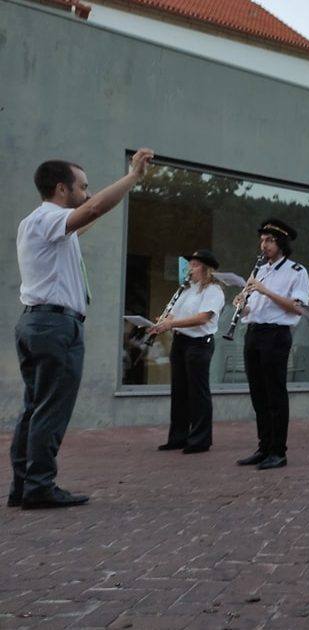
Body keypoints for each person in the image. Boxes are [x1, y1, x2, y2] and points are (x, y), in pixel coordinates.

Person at [12, 149, 154, 509]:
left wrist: (113, 199)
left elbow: (88, 218)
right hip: (55, 326)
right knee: (51, 409)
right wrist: (132, 176)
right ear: (62, 189)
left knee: (35, 407)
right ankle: (39, 486)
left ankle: (24, 484)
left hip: (38, 322)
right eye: (83, 186)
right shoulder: (48, 219)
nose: (88, 194)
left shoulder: (44, 224)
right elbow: (91, 210)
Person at [234, 219, 309, 470]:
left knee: (275, 393)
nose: (263, 245)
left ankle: (278, 451)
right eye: (262, 240)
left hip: (276, 335)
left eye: (269, 240)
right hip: (253, 332)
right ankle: (264, 446)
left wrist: (265, 291)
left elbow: (297, 308)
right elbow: (251, 308)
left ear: (281, 243)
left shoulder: (297, 271)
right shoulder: (260, 270)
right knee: (258, 394)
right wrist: (241, 304)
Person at [153, 249, 225, 453]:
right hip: (181, 343)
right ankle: (178, 437)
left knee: (197, 392)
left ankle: (200, 440)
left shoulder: (213, 291)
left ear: (206, 268)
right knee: (179, 391)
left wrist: (172, 323)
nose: (189, 268)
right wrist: (162, 322)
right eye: (190, 264)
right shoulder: (186, 289)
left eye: (194, 264)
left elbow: (203, 318)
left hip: (199, 343)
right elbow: (173, 315)